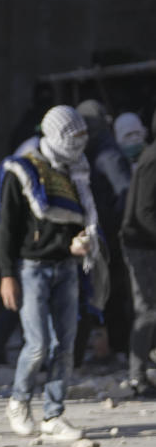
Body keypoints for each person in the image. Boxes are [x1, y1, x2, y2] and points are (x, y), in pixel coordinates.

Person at [0, 105, 100, 442]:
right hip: (32, 270)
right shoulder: (22, 170)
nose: (77, 143)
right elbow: (7, 230)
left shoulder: (76, 173)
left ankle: (53, 413)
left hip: (67, 269)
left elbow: (79, 220)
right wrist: (6, 274)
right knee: (39, 344)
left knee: (65, 346)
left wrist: (83, 243)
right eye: (71, 136)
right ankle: (19, 400)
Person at [76, 100, 133, 367]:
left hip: (108, 238)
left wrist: (110, 228)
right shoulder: (93, 153)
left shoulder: (107, 155)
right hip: (98, 235)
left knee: (109, 293)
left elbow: (124, 194)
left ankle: (115, 348)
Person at [120, 109, 156, 398]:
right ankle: (137, 377)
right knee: (148, 311)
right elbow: (144, 211)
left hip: (146, 243)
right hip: (141, 246)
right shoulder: (153, 159)